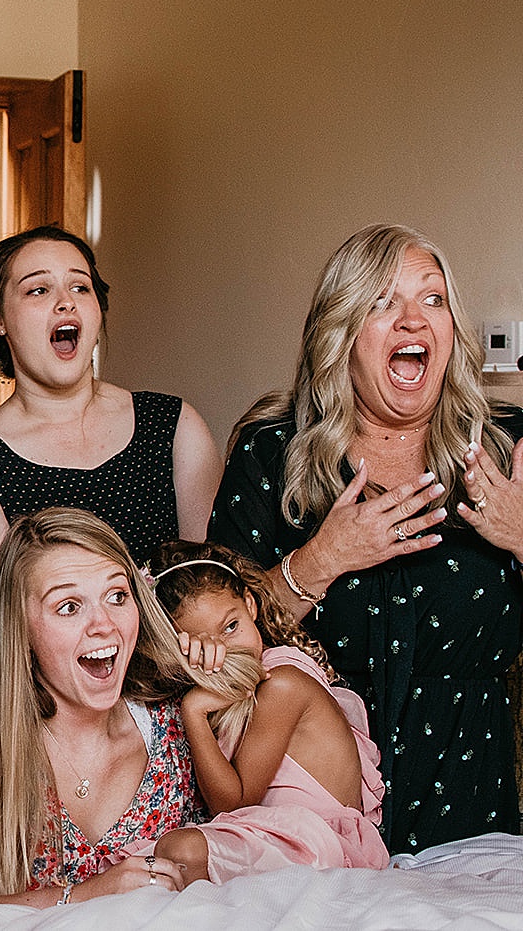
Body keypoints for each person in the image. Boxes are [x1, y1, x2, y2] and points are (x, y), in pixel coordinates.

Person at [209, 223, 523, 853]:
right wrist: (321, 560)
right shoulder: (272, 453)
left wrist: (521, 535)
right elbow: (206, 646)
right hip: (314, 821)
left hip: (473, 811)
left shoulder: (505, 450)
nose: (413, 321)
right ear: (342, 334)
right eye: (383, 302)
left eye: (432, 300)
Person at [0, 507, 197, 906]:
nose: (105, 625)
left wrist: (226, 669)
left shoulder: (175, 720)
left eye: (117, 596)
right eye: (69, 606)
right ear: (21, 628)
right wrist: (79, 897)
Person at [0, 225, 220, 651]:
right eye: (38, 291)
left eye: (80, 287)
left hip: (180, 690)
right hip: (46, 710)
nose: (65, 301)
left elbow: (212, 593)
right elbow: (9, 644)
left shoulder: (173, 425)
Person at [146, 540, 389, 883]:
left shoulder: (281, 684)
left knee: (179, 853)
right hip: (274, 834)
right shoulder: (227, 689)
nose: (224, 649)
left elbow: (232, 803)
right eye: (201, 642)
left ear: (250, 605)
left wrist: (193, 711)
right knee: (152, 855)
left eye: (231, 627)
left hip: (323, 845)